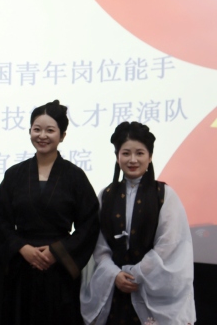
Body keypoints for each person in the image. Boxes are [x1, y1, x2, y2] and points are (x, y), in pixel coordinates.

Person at [0, 100, 99, 325]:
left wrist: (56, 252)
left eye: (50, 130)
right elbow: (0, 220)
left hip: (59, 270)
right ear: (30, 131)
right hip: (22, 267)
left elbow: (89, 224)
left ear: (62, 135)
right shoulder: (14, 174)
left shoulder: (75, 176)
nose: (42, 136)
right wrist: (22, 248)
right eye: (37, 129)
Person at [80, 121, 196, 325]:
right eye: (126, 153)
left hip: (152, 288)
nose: (132, 159)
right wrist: (115, 275)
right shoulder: (106, 195)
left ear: (150, 157)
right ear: (117, 156)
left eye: (140, 153)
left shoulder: (164, 195)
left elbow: (168, 245)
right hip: (115, 290)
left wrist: (136, 274)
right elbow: (99, 246)